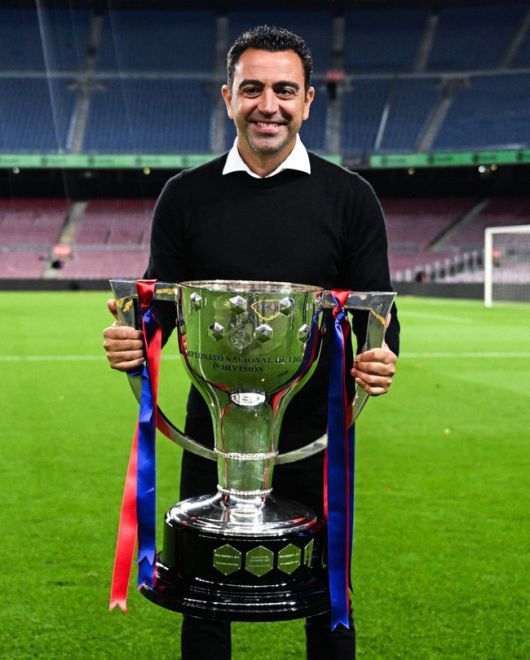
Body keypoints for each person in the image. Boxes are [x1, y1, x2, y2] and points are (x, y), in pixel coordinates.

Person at [103, 25, 399, 660]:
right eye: (253, 89)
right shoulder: (185, 195)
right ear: (228, 97)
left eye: (285, 90)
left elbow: (377, 310)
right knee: (204, 592)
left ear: (308, 101)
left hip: (316, 424)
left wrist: (380, 356)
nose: (269, 105)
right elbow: (164, 306)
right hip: (213, 423)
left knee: (328, 591)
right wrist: (135, 339)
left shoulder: (350, 197)